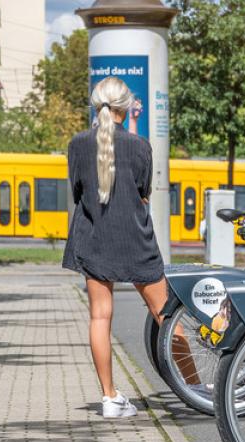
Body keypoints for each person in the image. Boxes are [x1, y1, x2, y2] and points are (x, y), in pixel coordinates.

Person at [64, 77, 193, 418]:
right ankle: (195, 388)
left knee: (99, 316)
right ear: (125, 107)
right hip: (135, 239)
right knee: (166, 314)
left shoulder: (77, 144)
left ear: (96, 105)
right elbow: (143, 193)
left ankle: (109, 398)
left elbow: (78, 192)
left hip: (93, 238)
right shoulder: (140, 146)